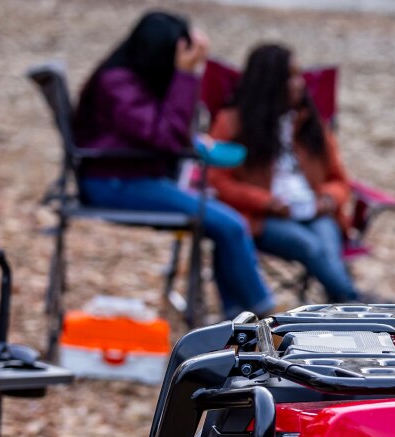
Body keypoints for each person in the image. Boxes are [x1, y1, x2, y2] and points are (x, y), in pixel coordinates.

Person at [73, 11, 274, 321]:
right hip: (115, 181)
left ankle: (239, 319)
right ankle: (264, 316)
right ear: (161, 53)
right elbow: (164, 136)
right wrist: (186, 75)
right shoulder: (117, 83)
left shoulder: (126, 78)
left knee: (226, 226)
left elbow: (160, 131)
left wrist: (190, 137)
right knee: (231, 225)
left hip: (127, 176)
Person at [208, 44, 361, 303]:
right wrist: (266, 202)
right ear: (269, 83)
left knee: (326, 244)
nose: (299, 84)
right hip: (263, 216)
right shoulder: (233, 123)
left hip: (315, 209)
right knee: (309, 246)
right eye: (290, 77)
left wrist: (327, 199)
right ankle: (353, 304)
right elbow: (217, 180)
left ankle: (348, 304)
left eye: (299, 75)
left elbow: (339, 181)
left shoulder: (311, 124)